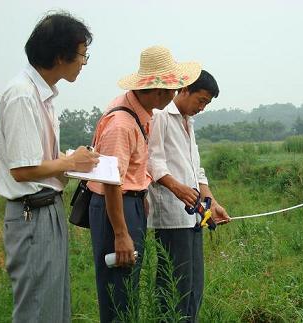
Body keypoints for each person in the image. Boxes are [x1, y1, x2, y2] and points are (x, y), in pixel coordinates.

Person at [0, 12, 99, 323]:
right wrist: (69, 162)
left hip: (47, 209)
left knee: (53, 307)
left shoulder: (45, 97)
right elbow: (22, 170)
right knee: (38, 311)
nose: (83, 62)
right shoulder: (22, 95)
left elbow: (40, 161)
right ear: (59, 54)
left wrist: (72, 161)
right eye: (82, 54)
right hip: (32, 213)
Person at [87, 45, 201, 323]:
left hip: (131, 204)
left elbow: (131, 171)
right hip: (117, 207)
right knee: (119, 291)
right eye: (174, 89)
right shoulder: (122, 123)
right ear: (161, 91)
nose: (175, 95)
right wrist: (121, 234)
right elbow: (111, 182)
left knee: (128, 284)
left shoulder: (140, 114)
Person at [147, 70, 231, 322]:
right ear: (184, 90)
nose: (202, 108)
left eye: (206, 103)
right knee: (175, 283)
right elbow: (152, 162)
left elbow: (196, 170)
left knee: (194, 283)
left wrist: (211, 203)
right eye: (201, 101)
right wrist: (177, 188)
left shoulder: (188, 121)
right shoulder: (160, 116)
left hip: (194, 214)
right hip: (173, 215)